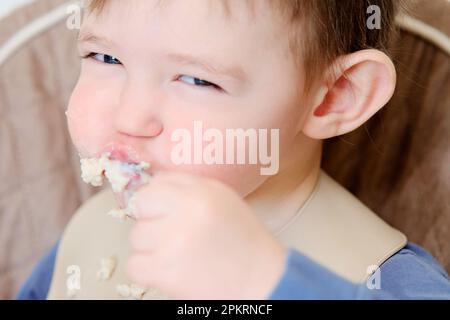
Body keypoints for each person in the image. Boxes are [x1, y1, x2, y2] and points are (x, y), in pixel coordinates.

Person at [17, 0, 450, 299]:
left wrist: (262, 285)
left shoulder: (387, 278)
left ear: (334, 96)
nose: (129, 119)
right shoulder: (85, 235)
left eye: (197, 80)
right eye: (105, 58)